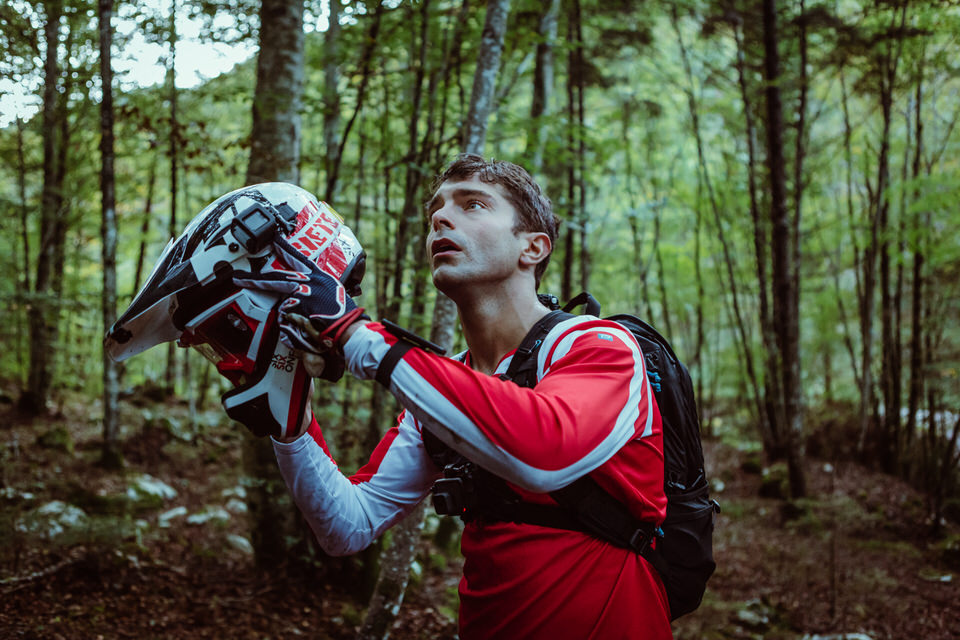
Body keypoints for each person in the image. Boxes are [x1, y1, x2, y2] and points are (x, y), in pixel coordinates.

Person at [237, 155, 673, 639]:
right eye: (436, 212)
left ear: (532, 247)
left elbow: (544, 453)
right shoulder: (440, 393)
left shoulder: (600, 346)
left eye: (472, 205)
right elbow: (348, 525)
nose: (441, 218)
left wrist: (356, 335)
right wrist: (292, 421)